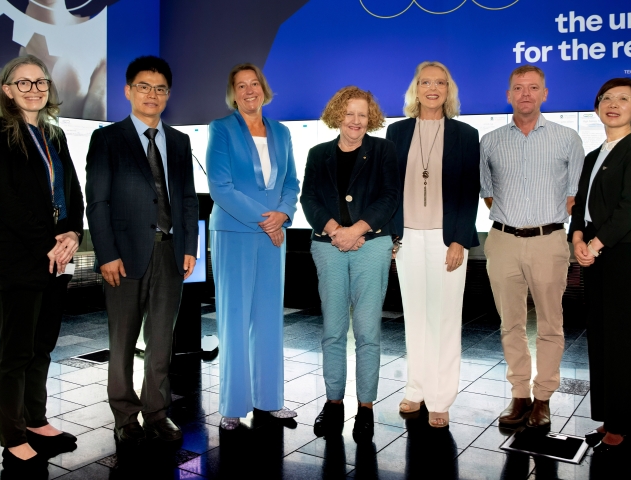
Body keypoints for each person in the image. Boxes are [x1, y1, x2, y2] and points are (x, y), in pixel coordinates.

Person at [86, 56, 199, 445]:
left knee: (162, 341)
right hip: (124, 255)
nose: (153, 95)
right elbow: (97, 203)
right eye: (144, 86)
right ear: (128, 90)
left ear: (169, 94)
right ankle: (124, 414)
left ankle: (156, 412)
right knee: (122, 340)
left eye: (161, 88)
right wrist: (106, 254)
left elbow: (187, 198)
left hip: (170, 253)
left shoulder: (180, 142)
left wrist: (189, 246)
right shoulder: (107, 140)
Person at [0, 54, 84, 472]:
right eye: (23, 83)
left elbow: (73, 192)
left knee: (43, 347)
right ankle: (13, 436)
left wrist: (73, 232)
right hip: (20, 259)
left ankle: (36, 420)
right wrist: (52, 243)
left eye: (40, 82)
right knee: (16, 353)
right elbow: (6, 203)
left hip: (55, 259)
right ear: (7, 90)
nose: (34, 89)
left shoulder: (55, 136)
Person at [479, 65, 584, 428]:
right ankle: (519, 396)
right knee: (510, 324)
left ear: (545, 94)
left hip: (549, 241)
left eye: (533, 87)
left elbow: (574, 197)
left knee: (550, 324)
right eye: (518, 88)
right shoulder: (490, 141)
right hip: (503, 241)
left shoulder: (567, 138)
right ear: (508, 95)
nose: (526, 94)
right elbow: (488, 195)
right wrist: (515, 221)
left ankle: (543, 399)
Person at [301, 86, 400, 442]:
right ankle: (334, 403)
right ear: (336, 115)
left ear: (370, 117)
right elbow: (308, 197)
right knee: (332, 330)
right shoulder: (318, 153)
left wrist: (356, 230)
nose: (355, 120)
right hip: (327, 246)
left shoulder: (384, 150)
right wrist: (334, 231)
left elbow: (391, 196)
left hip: (371, 245)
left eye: (362, 114)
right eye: (348, 113)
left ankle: (366, 408)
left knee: (367, 332)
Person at [386, 61, 480, 428]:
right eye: (425, 81)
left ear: (448, 89)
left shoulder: (465, 135)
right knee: (415, 317)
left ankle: (441, 398)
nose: (433, 88)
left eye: (440, 82)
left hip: (447, 241)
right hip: (406, 237)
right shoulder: (395, 133)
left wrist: (459, 239)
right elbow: (389, 189)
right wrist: (391, 236)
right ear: (416, 88)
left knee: (443, 318)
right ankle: (416, 389)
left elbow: (468, 192)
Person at [206, 63, 300, 430]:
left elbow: (292, 181)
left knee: (268, 318)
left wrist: (284, 214)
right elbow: (221, 187)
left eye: (254, 84)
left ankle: (270, 400)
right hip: (235, 233)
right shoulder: (222, 129)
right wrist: (268, 220)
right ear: (233, 93)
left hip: (274, 234)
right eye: (241, 86)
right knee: (234, 318)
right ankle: (232, 406)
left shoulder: (282, 132)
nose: (249, 91)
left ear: (264, 89)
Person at [569, 78, 631, 457]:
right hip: (594, 253)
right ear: (597, 106)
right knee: (602, 338)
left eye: (624, 99)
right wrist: (576, 240)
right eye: (607, 98)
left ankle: (625, 422)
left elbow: (629, 210)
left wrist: (595, 244)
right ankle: (608, 414)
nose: (614, 104)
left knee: (625, 342)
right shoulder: (593, 156)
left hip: (624, 255)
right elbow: (579, 208)